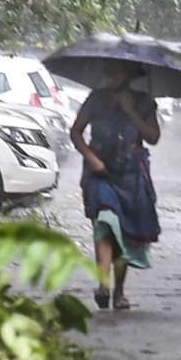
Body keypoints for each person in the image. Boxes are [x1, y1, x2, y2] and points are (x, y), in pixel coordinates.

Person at [70, 61, 161, 310]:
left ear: (129, 75)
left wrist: (131, 111)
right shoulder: (95, 99)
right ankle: (103, 284)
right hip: (101, 173)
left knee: (123, 234)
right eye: (107, 71)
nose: (110, 75)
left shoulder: (143, 102)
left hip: (131, 175)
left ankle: (119, 291)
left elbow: (153, 137)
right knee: (105, 223)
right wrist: (92, 158)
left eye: (116, 71)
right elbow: (76, 132)